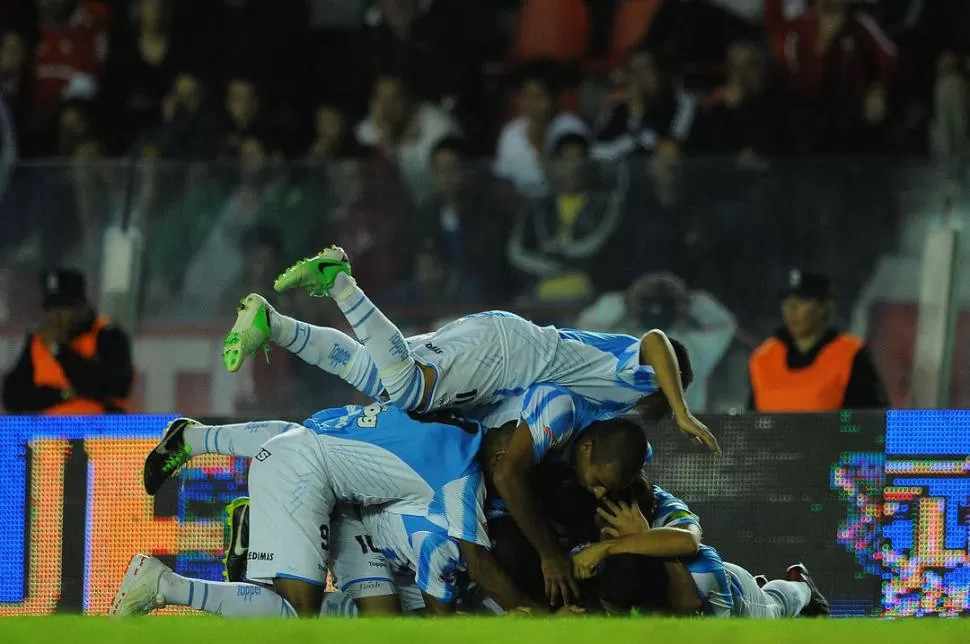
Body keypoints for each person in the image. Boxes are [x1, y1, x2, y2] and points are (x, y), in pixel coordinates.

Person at [119, 403, 541, 618]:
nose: (514, 476)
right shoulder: (461, 480)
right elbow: (480, 565)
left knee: (385, 624)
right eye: (517, 464)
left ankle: (197, 439)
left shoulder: (458, 416)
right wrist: (533, 618)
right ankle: (164, 585)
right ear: (502, 453)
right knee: (295, 614)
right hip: (303, 477)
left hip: (341, 488)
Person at [748, 269, 888, 412]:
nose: (791, 308)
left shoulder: (850, 355)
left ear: (824, 307)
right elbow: (750, 424)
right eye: (787, 300)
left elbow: (871, 423)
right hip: (773, 436)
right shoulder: (763, 358)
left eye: (802, 300)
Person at [2, 268, 133, 414]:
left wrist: (58, 349)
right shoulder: (38, 341)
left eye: (64, 308)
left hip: (102, 432)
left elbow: (106, 388)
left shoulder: (108, 335)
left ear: (81, 306)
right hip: (47, 433)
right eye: (50, 309)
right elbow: (13, 398)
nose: (55, 317)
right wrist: (62, 395)